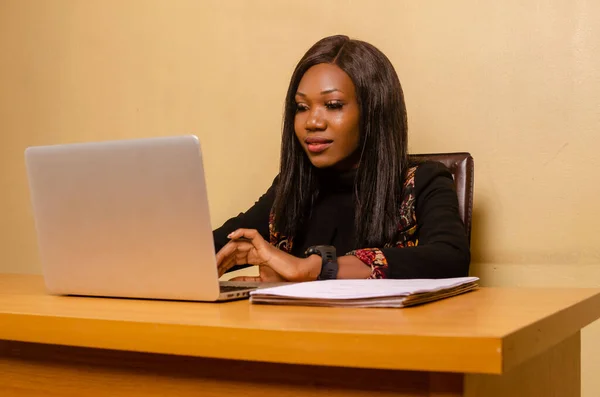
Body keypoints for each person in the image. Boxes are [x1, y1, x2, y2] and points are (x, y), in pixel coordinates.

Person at [213, 35, 470, 282]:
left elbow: (449, 257)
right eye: (302, 107)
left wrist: (312, 268)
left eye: (333, 105)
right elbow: (220, 245)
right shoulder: (291, 188)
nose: (312, 122)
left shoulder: (423, 182)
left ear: (372, 112)